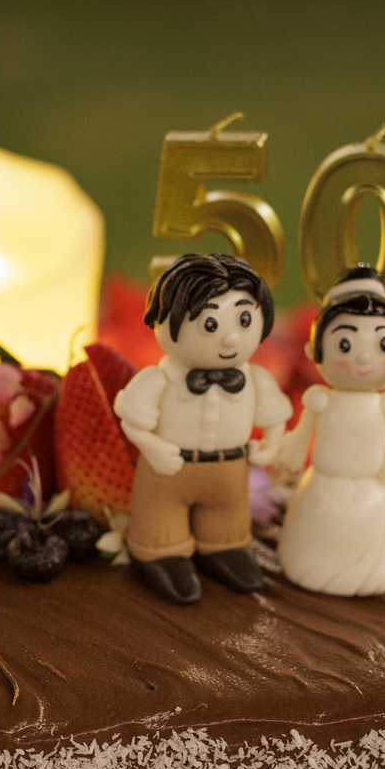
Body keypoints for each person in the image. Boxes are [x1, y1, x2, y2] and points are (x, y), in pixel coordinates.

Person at [113, 253, 291, 604]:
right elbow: (132, 422)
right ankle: (162, 554)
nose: (229, 340)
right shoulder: (157, 380)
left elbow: (275, 418)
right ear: (164, 319)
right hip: (168, 471)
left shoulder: (256, 379)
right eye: (211, 324)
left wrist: (271, 446)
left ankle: (223, 548)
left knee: (228, 524)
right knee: (159, 529)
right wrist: (151, 446)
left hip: (230, 473)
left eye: (243, 319)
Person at [272, 268, 385, 596]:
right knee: (314, 547)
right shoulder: (321, 400)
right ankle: (311, 565)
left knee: (373, 549)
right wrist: (290, 458)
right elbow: (302, 432)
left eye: (383, 343)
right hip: (323, 485)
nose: (365, 356)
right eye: (346, 343)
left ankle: (374, 570)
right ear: (315, 351)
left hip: (371, 491)